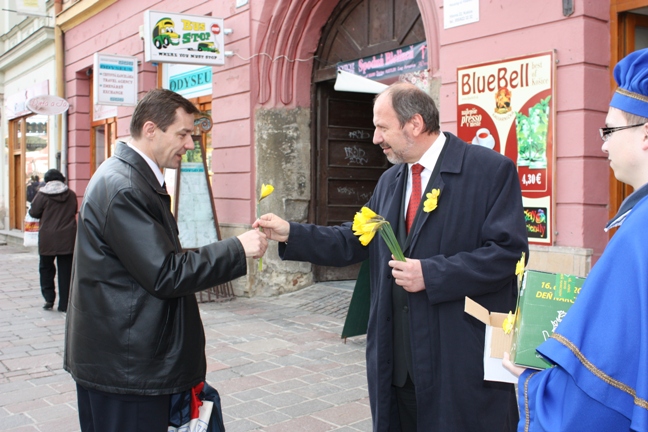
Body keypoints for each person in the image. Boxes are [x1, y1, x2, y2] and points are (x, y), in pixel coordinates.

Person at [256, 83, 529, 431]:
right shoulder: (390, 181)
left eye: (382, 127)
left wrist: (432, 274)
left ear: (414, 124)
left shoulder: (489, 170)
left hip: (458, 360)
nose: (375, 138)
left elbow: (508, 254)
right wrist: (292, 233)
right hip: (398, 364)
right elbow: (353, 239)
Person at [64, 89, 268, 432]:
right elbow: (165, 273)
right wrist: (236, 248)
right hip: (129, 368)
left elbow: (155, 262)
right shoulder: (126, 187)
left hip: (127, 359)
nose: (190, 144)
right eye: (183, 134)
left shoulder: (130, 177)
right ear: (150, 130)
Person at [503, 48, 648, 432]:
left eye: (609, 131)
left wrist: (534, 384)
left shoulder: (640, 231)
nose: (603, 145)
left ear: (646, 134)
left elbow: (601, 390)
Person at [28, 169, 77, 312]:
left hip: (47, 238)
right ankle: (64, 304)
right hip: (68, 238)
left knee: (46, 268)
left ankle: (49, 299)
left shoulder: (42, 195)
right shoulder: (71, 195)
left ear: (47, 180)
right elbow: (74, 210)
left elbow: (34, 212)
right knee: (66, 271)